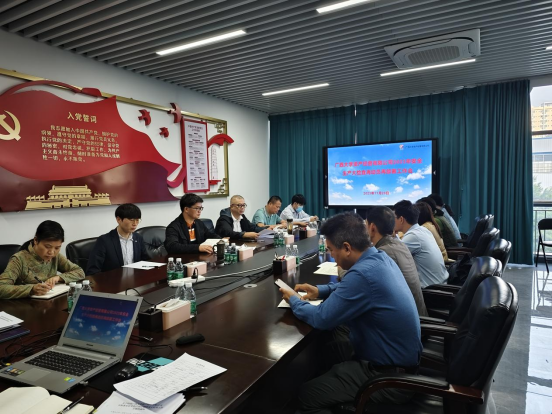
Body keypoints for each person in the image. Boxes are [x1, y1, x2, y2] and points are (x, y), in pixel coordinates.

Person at [279, 212, 422, 413]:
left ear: (347, 248)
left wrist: (294, 300)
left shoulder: (363, 273)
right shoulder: (379, 257)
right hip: (396, 362)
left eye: (331, 250)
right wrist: (321, 290)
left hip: (387, 379)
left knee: (305, 395)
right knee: (329, 346)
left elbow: (321, 318)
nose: (332, 257)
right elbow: (352, 287)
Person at [366, 206, 428, 316]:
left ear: (372, 227)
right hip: (415, 313)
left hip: (406, 318)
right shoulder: (399, 244)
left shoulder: (383, 253)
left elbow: (361, 279)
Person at [0, 221, 84, 299]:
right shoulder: (19, 259)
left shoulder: (56, 256)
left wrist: (58, 278)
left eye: (57, 248)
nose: (51, 252)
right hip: (25, 305)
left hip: (50, 301)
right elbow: (1, 288)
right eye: (47, 247)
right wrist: (31, 289)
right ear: (36, 240)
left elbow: (79, 272)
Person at [393, 200, 448, 287]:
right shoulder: (422, 230)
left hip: (430, 290)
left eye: (394, 218)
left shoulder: (413, 236)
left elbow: (392, 257)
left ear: (401, 219)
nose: (391, 221)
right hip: (440, 284)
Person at [86, 203, 150, 275]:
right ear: (118, 219)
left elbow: (146, 261)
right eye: (131, 220)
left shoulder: (138, 238)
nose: (135, 224)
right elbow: (93, 271)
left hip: (136, 279)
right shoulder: (104, 241)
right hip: (113, 280)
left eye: (137, 220)